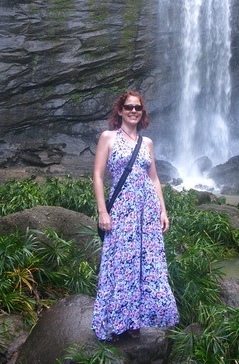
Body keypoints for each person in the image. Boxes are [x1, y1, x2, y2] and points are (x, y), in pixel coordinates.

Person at [91, 91, 179, 341]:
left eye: (137, 108)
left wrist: (163, 210)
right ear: (119, 111)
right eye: (128, 107)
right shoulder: (108, 137)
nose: (133, 111)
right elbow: (98, 176)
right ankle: (117, 321)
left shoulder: (147, 143)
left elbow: (154, 178)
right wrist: (102, 211)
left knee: (145, 267)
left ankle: (134, 321)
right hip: (121, 212)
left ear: (142, 112)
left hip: (147, 213)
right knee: (121, 264)